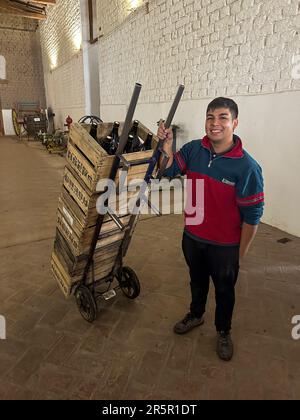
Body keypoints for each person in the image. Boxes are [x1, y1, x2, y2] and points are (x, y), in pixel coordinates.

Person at [157, 97, 264, 361]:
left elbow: (253, 217)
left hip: (225, 246)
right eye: (210, 117)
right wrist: (166, 147)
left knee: (225, 290)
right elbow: (167, 171)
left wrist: (240, 254)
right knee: (197, 281)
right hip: (192, 237)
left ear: (234, 123)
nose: (215, 124)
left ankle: (223, 331)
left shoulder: (247, 167)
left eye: (222, 118)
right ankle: (196, 314)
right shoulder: (194, 150)